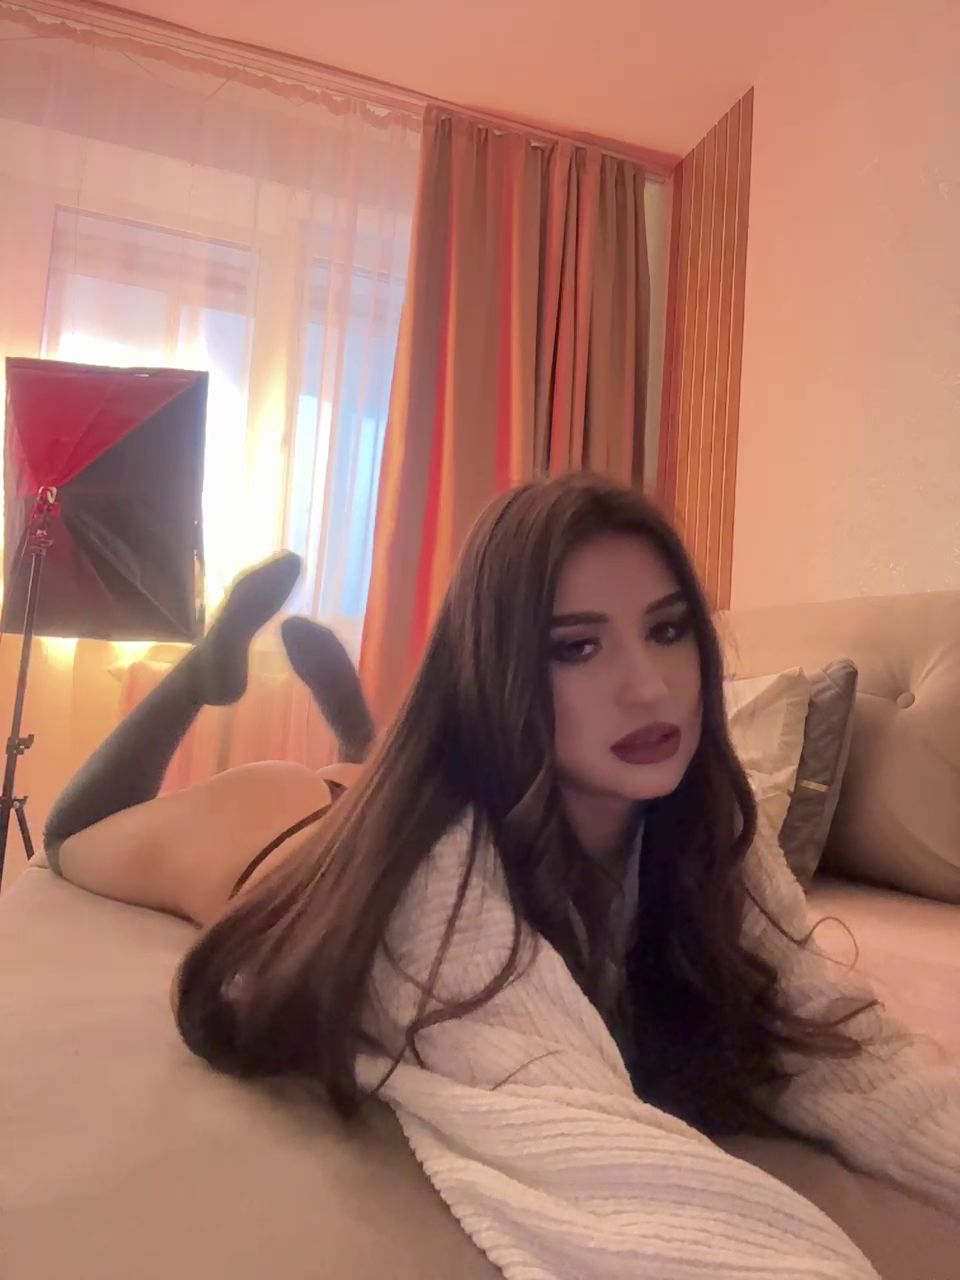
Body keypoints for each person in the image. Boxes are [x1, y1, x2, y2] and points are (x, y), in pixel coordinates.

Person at [46, 473, 959, 1280]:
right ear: (500, 670)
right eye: (577, 647)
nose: (649, 688)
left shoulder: (705, 824)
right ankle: (203, 675)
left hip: (426, 805)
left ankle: (364, 742)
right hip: (278, 835)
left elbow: (850, 1051)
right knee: (77, 832)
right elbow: (584, 1144)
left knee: (378, 778)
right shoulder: (432, 881)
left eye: (668, 629)